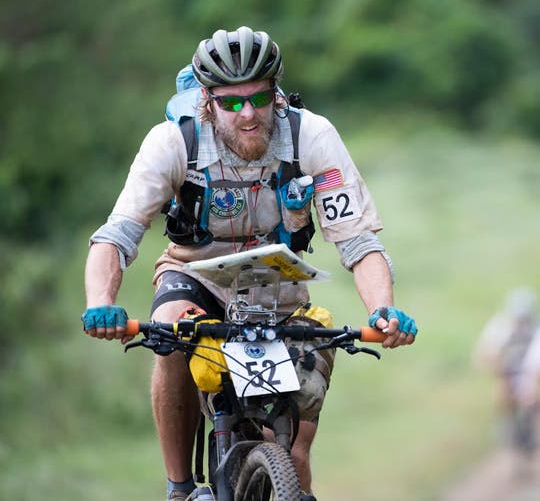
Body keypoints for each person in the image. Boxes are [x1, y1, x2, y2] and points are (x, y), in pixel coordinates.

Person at [82, 26, 418, 501]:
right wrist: (102, 302)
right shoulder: (172, 142)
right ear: (207, 100)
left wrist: (382, 308)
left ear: (276, 94)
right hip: (194, 274)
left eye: (259, 98)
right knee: (172, 335)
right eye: (231, 103)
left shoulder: (312, 136)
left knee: (294, 453)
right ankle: (179, 488)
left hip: (278, 288)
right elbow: (116, 235)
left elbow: (359, 242)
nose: (248, 114)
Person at [473, 287, 539, 455]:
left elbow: (534, 362)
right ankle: (507, 428)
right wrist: (500, 373)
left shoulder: (535, 329)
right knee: (503, 395)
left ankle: (529, 430)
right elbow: (484, 353)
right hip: (505, 370)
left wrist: (531, 385)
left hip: (528, 370)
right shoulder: (499, 327)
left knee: (532, 396)